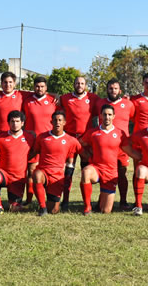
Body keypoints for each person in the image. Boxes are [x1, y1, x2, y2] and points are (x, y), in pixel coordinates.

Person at [79, 104, 140, 215]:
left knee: (105, 211)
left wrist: (143, 158)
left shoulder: (120, 133)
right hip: (96, 168)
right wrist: (86, 154)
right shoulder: (93, 132)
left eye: (109, 115)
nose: (107, 117)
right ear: (100, 116)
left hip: (111, 172)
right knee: (86, 172)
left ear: (114, 116)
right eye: (105, 115)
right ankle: (87, 207)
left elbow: (129, 151)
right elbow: (79, 144)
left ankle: (100, 202)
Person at [93, 78, 135, 210]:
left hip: (121, 145)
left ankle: (123, 201)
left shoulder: (128, 104)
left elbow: (134, 117)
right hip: (104, 145)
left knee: (122, 173)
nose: (113, 91)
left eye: (115, 88)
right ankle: (102, 200)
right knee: (103, 172)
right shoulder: (100, 103)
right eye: (110, 88)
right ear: (107, 90)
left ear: (120, 90)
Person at [31, 110, 83, 216]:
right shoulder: (42, 137)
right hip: (44, 172)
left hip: (57, 177)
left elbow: (83, 153)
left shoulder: (71, 140)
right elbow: (34, 152)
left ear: (64, 122)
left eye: (60, 120)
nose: (57, 122)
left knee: (54, 210)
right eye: (55, 120)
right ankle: (42, 208)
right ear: (51, 122)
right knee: (37, 175)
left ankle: (50, 205)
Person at [58, 76, 99, 208]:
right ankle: (65, 200)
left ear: (85, 85)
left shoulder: (93, 98)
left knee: (86, 169)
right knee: (69, 169)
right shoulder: (65, 98)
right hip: (70, 138)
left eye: (82, 83)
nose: (79, 85)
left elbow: (106, 105)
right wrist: (53, 95)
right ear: (74, 84)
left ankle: (86, 201)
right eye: (77, 83)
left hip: (86, 140)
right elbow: (54, 103)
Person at [0, 110, 35, 213]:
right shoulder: (0, 137)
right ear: (8, 123)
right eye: (12, 121)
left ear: (22, 123)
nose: (15, 124)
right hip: (4, 174)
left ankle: (21, 204)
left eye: (17, 121)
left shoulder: (29, 137)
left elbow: (36, 151)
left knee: (14, 209)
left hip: (18, 178)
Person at [22, 76, 57, 205]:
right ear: (33, 87)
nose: (39, 88)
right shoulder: (27, 101)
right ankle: (29, 200)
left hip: (48, 141)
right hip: (31, 141)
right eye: (37, 86)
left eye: (42, 86)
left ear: (46, 88)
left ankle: (48, 198)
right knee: (31, 170)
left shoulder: (53, 100)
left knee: (49, 169)